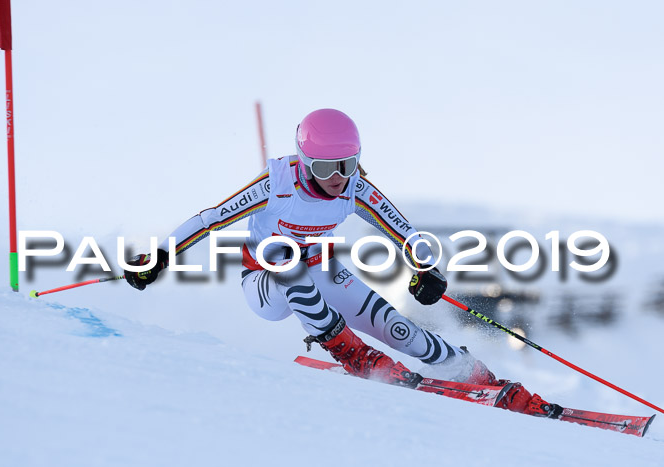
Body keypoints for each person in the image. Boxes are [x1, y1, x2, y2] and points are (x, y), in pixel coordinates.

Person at [124, 108, 561, 418]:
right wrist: (161, 255)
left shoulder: (353, 188)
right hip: (266, 283)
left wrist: (425, 269)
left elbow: (403, 231)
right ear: (304, 162)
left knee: (396, 325)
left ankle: (476, 375)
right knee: (287, 257)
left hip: (321, 269)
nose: (338, 176)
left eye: (347, 164)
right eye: (326, 166)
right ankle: (349, 351)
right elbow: (211, 219)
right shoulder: (276, 183)